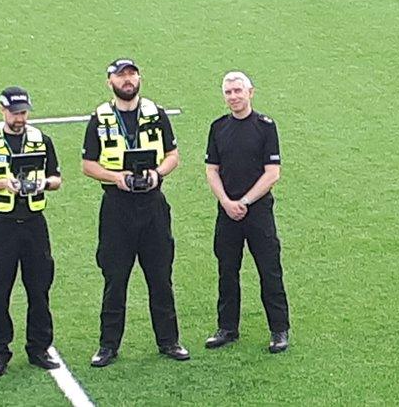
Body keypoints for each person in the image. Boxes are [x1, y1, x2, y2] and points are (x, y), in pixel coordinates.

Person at [81, 58, 190, 367]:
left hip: (153, 205)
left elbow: (173, 156)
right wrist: (117, 178)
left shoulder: (156, 114)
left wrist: (156, 174)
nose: (127, 80)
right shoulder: (100, 119)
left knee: (160, 276)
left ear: (139, 78)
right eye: (120, 76)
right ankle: (108, 345)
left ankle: (169, 341)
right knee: (115, 278)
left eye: (131, 74)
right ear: (110, 82)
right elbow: (88, 165)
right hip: (117, 207)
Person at [0, 86, 62, 377]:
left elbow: (57, 178)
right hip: (1, 225)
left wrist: (43, 184)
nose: (20, 118)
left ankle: (39, 348)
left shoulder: (41, 140)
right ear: (2, 110)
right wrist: (1, 184)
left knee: (39, 288)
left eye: (23, 112)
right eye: (15, 112)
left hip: (34, 222)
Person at [203, 71, 291, 353]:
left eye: (238, 91)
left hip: (258, 212)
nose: (233, 97)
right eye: (228, 92)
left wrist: (245, 202)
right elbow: (211, 170)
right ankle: (227, 328)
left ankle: (279, 330)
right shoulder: (218, 128)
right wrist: (227, 202)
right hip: (227, 212)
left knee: (269, 270)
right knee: (227, 271)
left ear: (250, 92)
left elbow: (272, 173)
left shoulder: (265, 127)